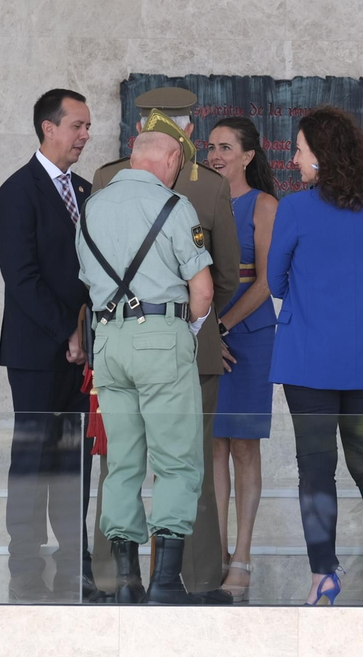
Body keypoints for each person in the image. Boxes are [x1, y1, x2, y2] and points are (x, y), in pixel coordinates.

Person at [94, 87, 239, 603]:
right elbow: (207, 288)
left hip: (107, 342)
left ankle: (125, 581)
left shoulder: (94, 202)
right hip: (165, 339)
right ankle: (166, 583)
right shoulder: (176, 203)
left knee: (122, 463)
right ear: (175, 155)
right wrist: (191, 331)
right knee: (178, 461)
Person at [268, 106, 363, 606]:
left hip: (309, 357)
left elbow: (274, 280)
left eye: (301, 150)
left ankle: (324, 575)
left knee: (316, 468)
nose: (295, 158)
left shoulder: (295, 209)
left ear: (323, 158)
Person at [0, 88, 98, 604]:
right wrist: (68, 331)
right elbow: (22, 278)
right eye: (77, 125)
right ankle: (25, 569)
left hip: (83, 354)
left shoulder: (84, 189)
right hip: (37, 354)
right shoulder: (18, 191)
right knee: (34, 459)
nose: (85, 135)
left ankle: (73, 564)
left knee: (75, 460)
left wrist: (88, 335)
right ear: (47, 128)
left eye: (87, 126)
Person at [204, 116, 279, 602]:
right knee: (212, 445)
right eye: (210, 146)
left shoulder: (265, 204)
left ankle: (243, 554)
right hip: (205, 334)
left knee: (244, 446)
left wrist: (222, 329)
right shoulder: (196, 201)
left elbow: (269, 280)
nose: (214, 155)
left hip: (247, 336)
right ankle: (215, 549)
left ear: (248, 155)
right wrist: (204, 334)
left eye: (224, 147)